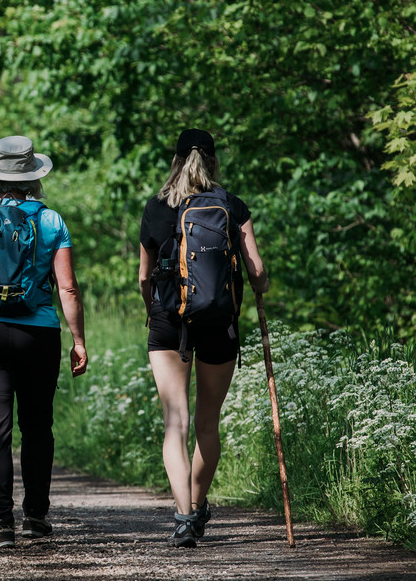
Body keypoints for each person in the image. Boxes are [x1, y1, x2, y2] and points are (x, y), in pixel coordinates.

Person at [0, 135, 89, 549]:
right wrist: (78, 340)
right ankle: (36, 517)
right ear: (32, 178)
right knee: (38, 425)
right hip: (39, 332)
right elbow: (69, 289)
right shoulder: (51, 221)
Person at [138, 128, 269, 547]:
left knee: (175, 422)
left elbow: (144, 278)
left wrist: (153, 310)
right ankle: (197, 507)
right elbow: (258, 273)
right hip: (218, 319)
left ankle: (182, 516)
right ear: (213, 162)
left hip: (167, 322)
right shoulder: (231, 205)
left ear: (175, 160)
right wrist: (258, 289)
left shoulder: (157, 207)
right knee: (207, 424)